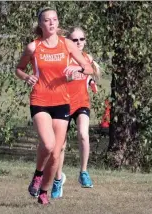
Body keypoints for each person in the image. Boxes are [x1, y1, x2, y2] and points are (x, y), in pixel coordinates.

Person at [15, 8, 93, 205]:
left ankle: (43, 192)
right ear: (40, 24)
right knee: (48, 145)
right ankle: (38, 173)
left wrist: (77, 68)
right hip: (40, 100)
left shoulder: (66, 44)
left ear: (58, 23)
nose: (51, 23)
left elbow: (89, 68)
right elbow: (19, 69)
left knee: (56, 153)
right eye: (47, 20)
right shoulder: (33, 47)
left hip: (62, 102)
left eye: (54, 20)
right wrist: (27, 77)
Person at [50, 27, 100, 198]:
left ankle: (83, 172)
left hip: (81, 104)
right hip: (62, 104)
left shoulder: (87, 58)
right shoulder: (63, 58)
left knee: (83, 134)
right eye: (75, 40)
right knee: (60, 146)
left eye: (81, 39)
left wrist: (91, 81)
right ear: (69, 41)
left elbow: (89, 72)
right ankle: (58, 180)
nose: (79, 42)